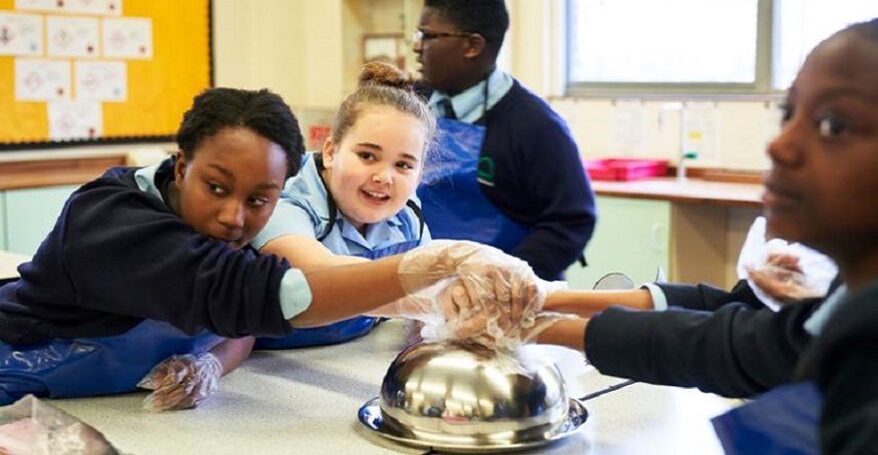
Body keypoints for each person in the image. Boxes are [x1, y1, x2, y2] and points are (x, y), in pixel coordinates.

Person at [0, 87, 542, 409]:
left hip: (113, 407)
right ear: (182, 163)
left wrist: (209, 365)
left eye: (260, 199)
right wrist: (437, 267)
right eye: (216, 187)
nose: (235, 217)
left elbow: (237, 320)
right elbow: (271, 293)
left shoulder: (225, 224)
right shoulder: (112, 221)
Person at [535, 19, 878, 454]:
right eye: (788, 114)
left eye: (832, 125)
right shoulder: (848, 302)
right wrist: (544, 309)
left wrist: (545, 320)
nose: (779, 146)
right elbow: (735, 336)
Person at [413, 0, 597, 281]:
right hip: (420, 289)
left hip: (506, 300)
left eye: (429, 35)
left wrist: (499, 279)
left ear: (472, 45)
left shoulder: (536, 127)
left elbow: (571, 222)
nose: (417, 47)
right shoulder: (411, 105)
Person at [249, 61, 436, 349]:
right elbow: (320, 275)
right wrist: (436, 292)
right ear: (331, 151)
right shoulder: (283, 193)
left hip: (345, 355)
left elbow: (428, 306)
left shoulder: (408, 215)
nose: (383, 177)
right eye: (367, 156)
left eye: (403, 164)